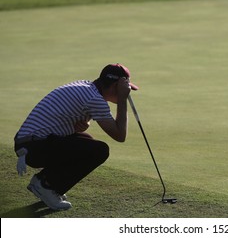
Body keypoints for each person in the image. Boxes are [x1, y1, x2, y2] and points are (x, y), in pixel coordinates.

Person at [14, 63, 139, 210]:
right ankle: (45, 185)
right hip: (33, 148)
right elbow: (119, 135)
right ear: (115, 85)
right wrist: (122, 100)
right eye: (124, 88)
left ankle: (47, 182)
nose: (127, 91)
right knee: (99, 150)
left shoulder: (86, 86)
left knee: (86, 140)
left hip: (30, 143)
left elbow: (63, 118)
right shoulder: (94, 99)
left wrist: (79, 127)